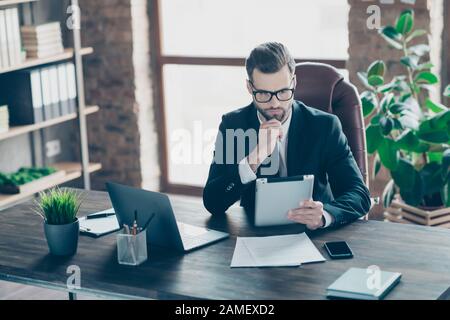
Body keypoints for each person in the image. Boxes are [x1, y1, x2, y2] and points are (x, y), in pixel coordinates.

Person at [203, 42, 371, 230]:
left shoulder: (325, 126)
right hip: (254, 235)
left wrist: (324, 215)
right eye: (264, 94)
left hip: (315, 235)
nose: (275, 103)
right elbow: (213, 203)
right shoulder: (233, 125)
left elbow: (359, 194)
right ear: (250, 88)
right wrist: (254, 158)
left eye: (283, 92)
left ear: (294, 83)